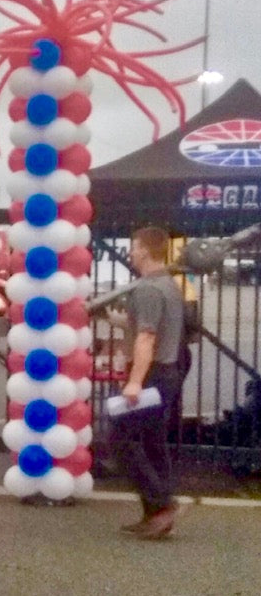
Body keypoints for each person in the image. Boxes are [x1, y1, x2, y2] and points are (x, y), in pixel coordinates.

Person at [114, 227, 186, 540]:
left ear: (145, 250)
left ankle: (163, 504)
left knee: (121, 439)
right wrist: (107, 317)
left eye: (134, 246)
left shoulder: (147, 289)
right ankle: (155, 515)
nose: (131, 252)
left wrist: (134, 383)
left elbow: (146, 337)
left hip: (150, 374)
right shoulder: (168, 285)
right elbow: (143, 325)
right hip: (166, 372)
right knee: (152, 442)